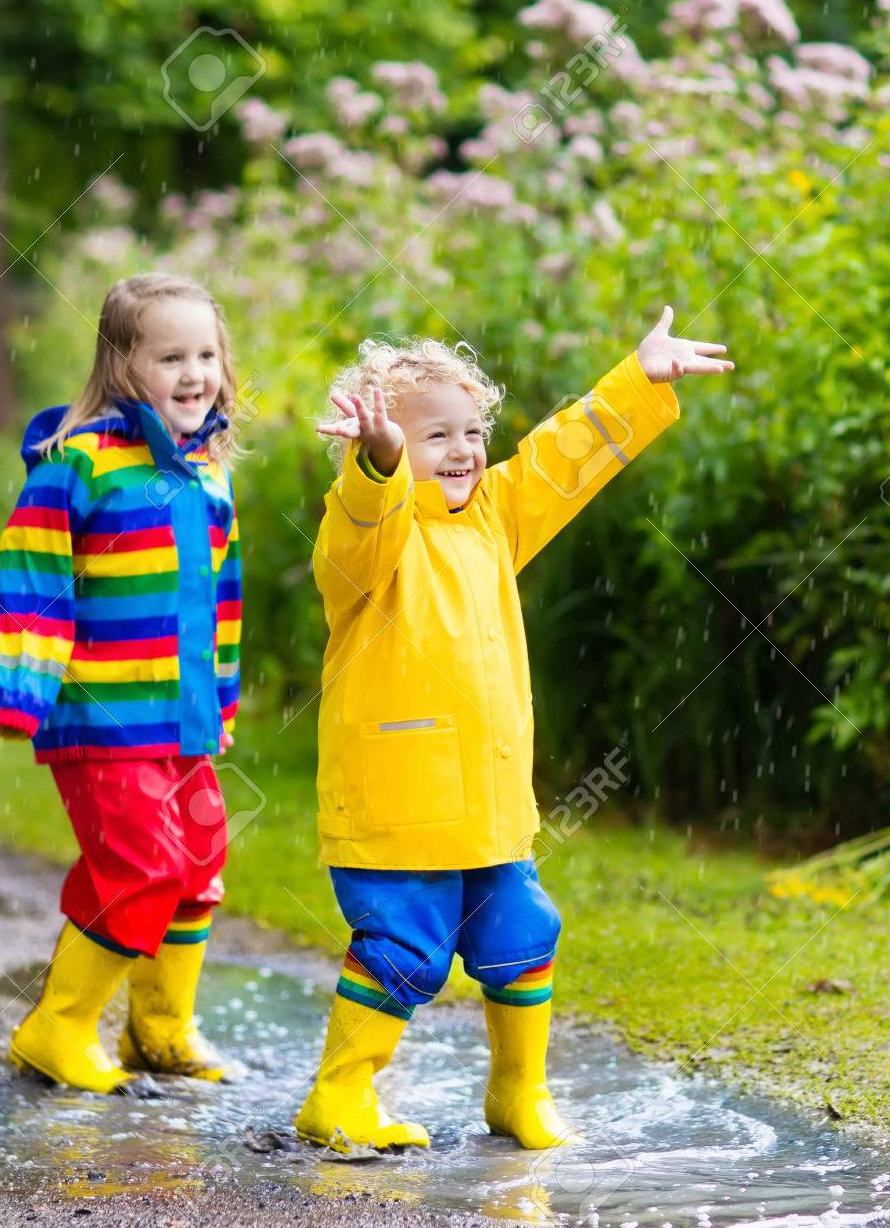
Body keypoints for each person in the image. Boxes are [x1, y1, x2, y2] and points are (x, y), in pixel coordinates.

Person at [295, 306, 732, 1150]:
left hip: (492, 810)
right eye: (434, 438)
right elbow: (358, 523)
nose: (463, 451)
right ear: (382, 449)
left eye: (472, 431)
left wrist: (636, 381)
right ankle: (340, 1097)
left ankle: (518, 1092)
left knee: (521, 934)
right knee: (403, 949)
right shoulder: (366, 543)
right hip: (396, 814)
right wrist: (377, 467)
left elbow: (561, 460)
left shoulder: (494, 515)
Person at [0, 272, 244, 1094]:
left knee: (199, 861)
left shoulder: (209, 475)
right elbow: (30, 576)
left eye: (206, 353)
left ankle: (161, 1032)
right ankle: (55, 1029)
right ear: (124, 367)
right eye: (171, 356)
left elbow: (221, 605)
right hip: (102, 718)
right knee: (141, 866)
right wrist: (21, 694)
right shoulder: (78, 466)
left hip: (182, 718)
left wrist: (221, 702)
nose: (194, 373)